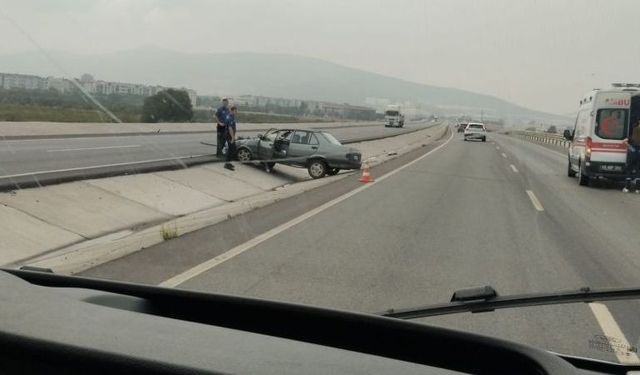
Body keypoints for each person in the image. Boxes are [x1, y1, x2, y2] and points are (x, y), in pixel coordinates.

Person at [622, 119, 640, 193]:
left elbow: (624, 142)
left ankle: (627, 188)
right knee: (638, 171)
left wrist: (631, 148)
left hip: (632, 154)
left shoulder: (634, 133)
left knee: (629, 170)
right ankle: (637, 189)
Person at [224, 106, 238, 171]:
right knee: (231, 149)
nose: (236, 112)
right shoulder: (230, 117)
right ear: (232, 111)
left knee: (232, 149)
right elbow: (230, 128)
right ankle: (226, 164)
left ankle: (228, 163)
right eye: (235, 111)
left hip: (230, 135)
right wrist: (232, 138)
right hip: (229, 136)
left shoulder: (232, 117)